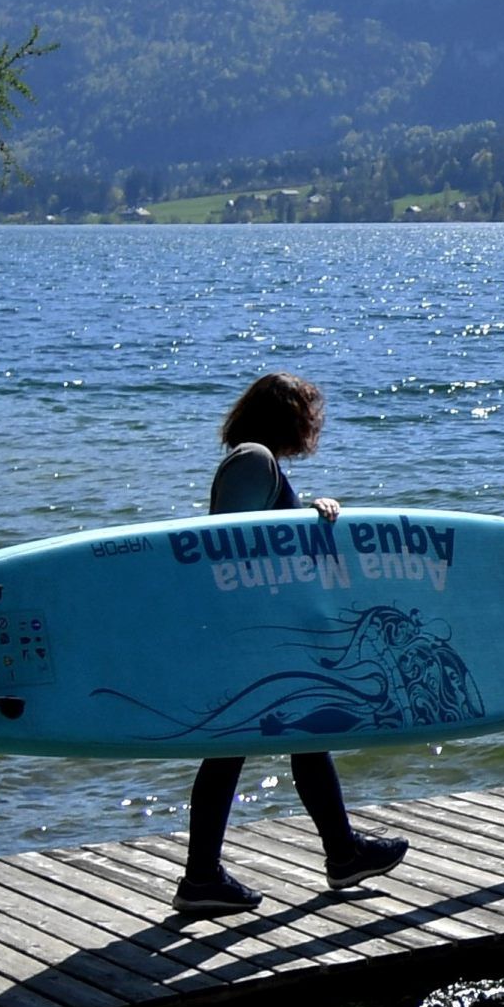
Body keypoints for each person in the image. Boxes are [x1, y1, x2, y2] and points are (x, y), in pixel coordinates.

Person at [174, 371, 410, 917]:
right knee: (231, 749)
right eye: (309, 415)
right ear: (289, 417)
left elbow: (263, 533)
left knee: (305, 734)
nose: (314, 426)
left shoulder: (258, 462)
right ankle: (202, 878)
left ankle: (342, 853)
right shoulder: (253, 460)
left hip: (258, 627)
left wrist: (308, 516)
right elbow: (229, 544)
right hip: (249, 630)